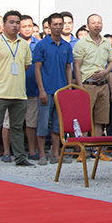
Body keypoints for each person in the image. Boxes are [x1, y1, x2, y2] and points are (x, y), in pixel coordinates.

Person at [0, 11, 35, 169]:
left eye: (17, 22)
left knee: (17, 127)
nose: (15, 25)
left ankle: (20, 157)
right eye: (11, 22)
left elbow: (27, 65)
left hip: (19, 93)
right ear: (3, 25)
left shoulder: (23, 45)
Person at [33, 12, 75, 164]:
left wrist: (69, 88)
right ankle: (42, 155)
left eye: (60, 24)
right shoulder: (41, 45)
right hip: (47, 91)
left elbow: (68, 68)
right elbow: (37, 69)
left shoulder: (66, 46)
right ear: (49, 26)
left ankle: (56, 154)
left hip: (61, 92)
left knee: (58, 125)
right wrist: (41, 90)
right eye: (55, 24)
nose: (58, 27)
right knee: (43, 123)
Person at [74, 14, 112, 143]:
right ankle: (84, 147)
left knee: (100, 119)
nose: (97, 25)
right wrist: (80, 88)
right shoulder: (81, 44)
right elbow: (77, 66)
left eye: (99, 23)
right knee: (85, 118)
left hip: (103, 85)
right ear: (87, 26)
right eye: (93, 23)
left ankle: (96, 149)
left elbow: (111, 62)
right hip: (88, 85)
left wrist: (105, 72)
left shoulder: (106, 42)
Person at [15, 15, 42, 160]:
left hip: (33, 89)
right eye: (24, 26)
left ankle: (32, 150)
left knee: (32, 122)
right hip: (15, 90)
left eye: (29, 26)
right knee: (14, 123)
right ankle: (13, 151)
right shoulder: (14, 43)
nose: (27, 29)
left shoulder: (39, 44)